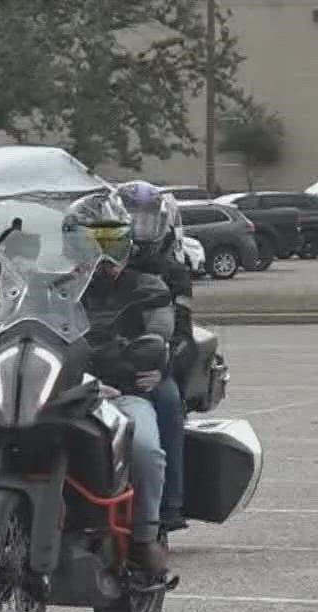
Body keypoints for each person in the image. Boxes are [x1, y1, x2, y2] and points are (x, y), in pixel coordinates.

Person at [65, 191, 174, 581]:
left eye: (111, 239)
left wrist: (151, 353)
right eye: (91, 241)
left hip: (120, 394)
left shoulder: (146, 283)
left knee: (144, 448)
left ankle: (144, 538)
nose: (102, 252)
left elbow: (161, 328)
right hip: (60, 394)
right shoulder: (52, 288)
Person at [114, 181, 192, 535]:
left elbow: (182, 336)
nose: (136, 228)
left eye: (144, 221)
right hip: (99, 362)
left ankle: (167, 506)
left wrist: (161, 366)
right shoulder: (91, 264)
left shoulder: (171, 272)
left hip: (148, 364)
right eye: (128, 220)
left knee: (168, 400)